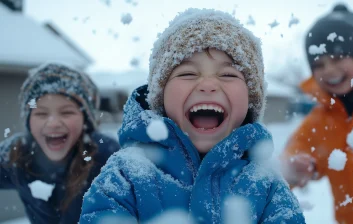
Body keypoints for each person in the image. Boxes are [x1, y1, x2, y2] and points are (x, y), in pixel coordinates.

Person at [79, 8, 305, 224]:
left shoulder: (265, 184)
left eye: (227, 74)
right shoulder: (126, 175)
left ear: (250, 100)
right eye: (187, 73)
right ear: (160, 96)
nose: (208, 85)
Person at [280, 3, 353, 223]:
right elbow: (297, 148)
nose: (328, 70)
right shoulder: (320, 119)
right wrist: (293, 165)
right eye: (319, 64)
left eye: (337, 58)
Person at [0, 63, 120, 224]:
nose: (53, 123)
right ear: (29, 121)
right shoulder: (17, 153)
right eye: (41, 113)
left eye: (67, 112)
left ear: (86, 119)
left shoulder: (108, 157)